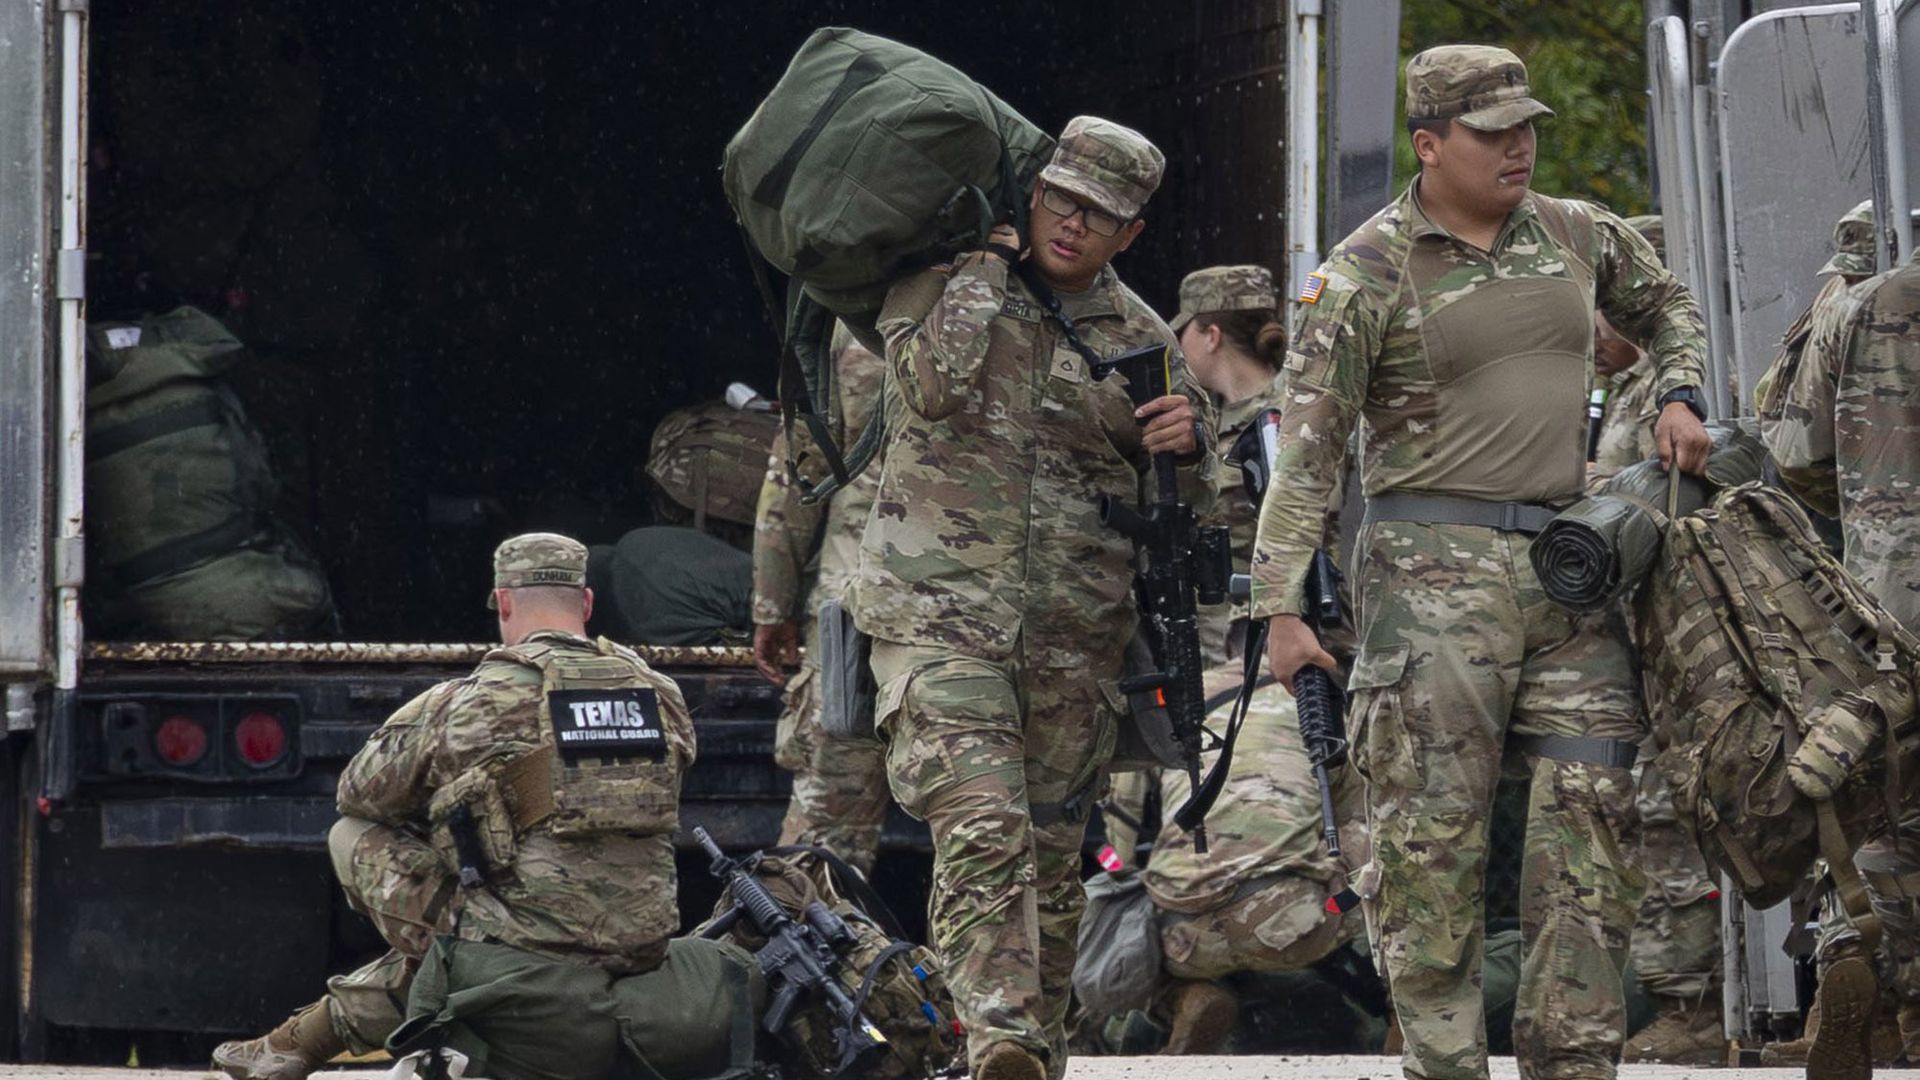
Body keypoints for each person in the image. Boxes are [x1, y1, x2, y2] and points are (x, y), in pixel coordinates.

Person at [1249, 44, 1712, 1080]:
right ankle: (1446, 1064)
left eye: (1525, 125)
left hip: (1572, 568)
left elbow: (1672, 306)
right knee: (1431, 843)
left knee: (1592, 819)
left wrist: (1679, 389)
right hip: (1430, 580)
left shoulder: (1578, 232)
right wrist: (1280, 610)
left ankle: (1574, 1059)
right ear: (1430, 143)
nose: (1520, 144)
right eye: (1493, 130)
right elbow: (1308, 452)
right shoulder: (1363, 271)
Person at [852, 114, 1216, 1080]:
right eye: (1063, 199)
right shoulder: (937, 287)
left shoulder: (1142, 340)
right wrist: (983, 266)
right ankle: (999, 1033)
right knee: (983, 823)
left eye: (1102, 216)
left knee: (1054, 862)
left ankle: (1032, 1051)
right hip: (940, 622)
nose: (1074, 225)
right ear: (1032, 193)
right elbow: (928, 389)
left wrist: (1190, 443)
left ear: (1131, 234)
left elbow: (1189, 513)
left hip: (1072, 639)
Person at [212, 533, 695, 1080]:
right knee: (494, 914)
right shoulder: (661, 694)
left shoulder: (469, 700)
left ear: (504, 602)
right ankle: (293, 1045)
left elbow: (359, 792)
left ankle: (294, 1045)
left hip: (524, 946)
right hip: (641, 939)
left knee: (354, 835)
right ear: (585, 604)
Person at [1579, 213, 1728, 1064]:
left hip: (1681, 636)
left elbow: (1676, 496)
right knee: (1643, 810)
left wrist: (1580, 485)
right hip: (1636, 635)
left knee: (1671, 812)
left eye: (1603, 312)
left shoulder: (1680, 395)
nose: (1593, 331)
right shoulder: (1626, 391)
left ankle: (1693, 1009)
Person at [1767, 245, 1920, 1075]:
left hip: (1886, 594)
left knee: (1885, 790)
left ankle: (1860, 960)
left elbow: (1793, 450)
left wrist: (1869, 505)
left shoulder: (1863, 302)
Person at [1136, 666, 1368, 1054]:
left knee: (1125, 892)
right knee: (1394, 844)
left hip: (1179, 940)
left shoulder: (1178, 701)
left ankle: (1182, 996)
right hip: (1292, 924)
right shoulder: (1326, 699)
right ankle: (1404, 1016)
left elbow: (1119, 834)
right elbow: (1355, 812)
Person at [753, 326, 892, 874]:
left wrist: (772, 608)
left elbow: (797, 476)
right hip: (986, 619)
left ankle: (813, 949)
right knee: (992, 832)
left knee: (827, 835)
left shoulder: (851, 322)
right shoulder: (1032, 310)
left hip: (856, 612)